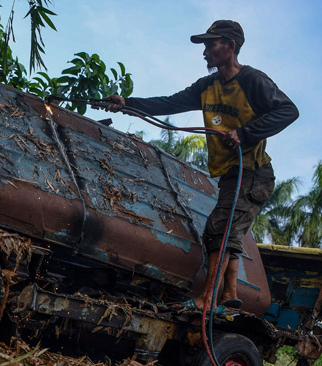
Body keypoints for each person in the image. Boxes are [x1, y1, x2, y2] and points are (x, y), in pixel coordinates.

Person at [105, 20, 298, 312]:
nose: (205, 52)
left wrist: (245, 133)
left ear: (230, 46)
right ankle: (229, 294)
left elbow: (288, 110)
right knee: (228, 231)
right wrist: (126, 103)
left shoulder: (252, 81)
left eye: (211, 45)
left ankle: (207, 299)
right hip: (231, 174)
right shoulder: (207, 86)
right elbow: (169, 103)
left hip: (253, 172)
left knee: (219, 228)